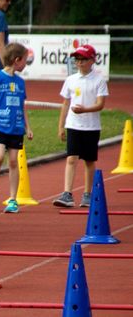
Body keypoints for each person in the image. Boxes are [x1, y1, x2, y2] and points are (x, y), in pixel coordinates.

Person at [52, 44, 108, 208]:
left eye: (83, 59)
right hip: (73, 125)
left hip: (91, 127)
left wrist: (85, 110)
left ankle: (87, 194)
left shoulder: (98, 80)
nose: (80, 63)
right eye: (77, 59)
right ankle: (67, 193)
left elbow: (100, 104)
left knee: (89, 161)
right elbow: (65, 104)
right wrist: (61, 126)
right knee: (71, 158)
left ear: (92, 60)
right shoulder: (70, 80)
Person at [0, 42, 33, 213]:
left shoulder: (20, 82)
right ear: (16, 60)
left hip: (16, 128)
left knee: (13, 161)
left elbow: (22, 105)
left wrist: (28, 126)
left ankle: (13, 198)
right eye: (25, 60)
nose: (26, 64)